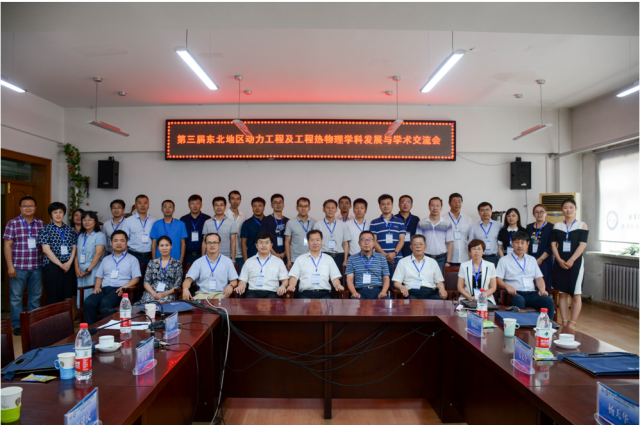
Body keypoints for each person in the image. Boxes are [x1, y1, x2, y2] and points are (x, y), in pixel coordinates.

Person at [3, 196, 45, 336]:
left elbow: (44, 246)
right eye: (25, 206)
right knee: (16, 297)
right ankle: (17, 325)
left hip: (36, 266)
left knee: (35, 297)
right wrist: (10, 266)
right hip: (18, 267)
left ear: (35, 208)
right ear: (20, 208)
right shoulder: (12, 223)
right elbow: (7, 246)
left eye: (31, 205)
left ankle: (33, 323)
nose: (28, 208)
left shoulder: (40, 224)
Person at [83, 230, 141, 325]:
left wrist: (125, 287)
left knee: (106, 302)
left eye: (122, 240)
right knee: (88, 302)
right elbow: (99, 276)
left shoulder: (132, 259)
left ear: (126, 242)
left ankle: (109, 328)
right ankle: (93, 328)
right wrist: (97, 287)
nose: (118, 243)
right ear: (111, 243)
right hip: (104, 289)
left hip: (120, 290)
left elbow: (136, 278)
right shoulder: (106, 259)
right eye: (115, 240)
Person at [496, 231, 554, 319]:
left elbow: (539, 278)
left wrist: (542, 289)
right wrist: (507, 286)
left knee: (549, 301)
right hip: (515, 293)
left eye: (522, 243)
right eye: (517, 242)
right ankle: (521, 325)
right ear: (512, 243)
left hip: (531, 293)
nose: (520, 246)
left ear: (527, 244)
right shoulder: (504, 260)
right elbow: (498, 280)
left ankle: (548, 325)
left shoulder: (532, 259)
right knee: (519, 300)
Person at [551, 198, 588, 329]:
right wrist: (559, 259)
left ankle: (573, 322)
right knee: (562, 293)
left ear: (575, 209)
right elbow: (553, 245)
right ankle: (565, 321)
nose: (568, 210)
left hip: (576, 262)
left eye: (571, 207)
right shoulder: (557, 226)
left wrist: (572, 260)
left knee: (576, 293)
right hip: (560, 262)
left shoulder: (582, 225)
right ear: (562, 210)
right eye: (565, 207)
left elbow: (582, 245)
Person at [39, 202, 78, 305]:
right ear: (50, 214)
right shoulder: (46, 229)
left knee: (67, 295)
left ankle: (66, 316)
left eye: (60, 212)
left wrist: (69, 263)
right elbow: (46, 250)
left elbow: (74, 247)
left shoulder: (69, 229)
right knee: (53, 295)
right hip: (52, 266)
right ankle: (54, 316)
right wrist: (60, 264)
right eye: (55, 212)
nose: (58, 214)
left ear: (64, 214)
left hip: (68, 266)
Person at [287, 230, 344, 299]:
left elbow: (334, 278)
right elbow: (294, 277)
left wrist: (338, 285)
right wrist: (291, 285)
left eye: (317, 240)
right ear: (308, 242)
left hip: (324, 294)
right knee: (303, 305)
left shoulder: (329, 259)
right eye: (312, 240)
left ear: (321, 241)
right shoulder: (300, 259)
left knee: (327, 304)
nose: (315, 243)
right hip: (305, 294)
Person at [182, 233, 238, 300]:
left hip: (221, 294)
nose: (212, 245)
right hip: (203, 295)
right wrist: (185, 289)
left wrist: (231, 286)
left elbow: (234, 281)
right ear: (205, 245)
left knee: (223, 304)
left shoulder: (227, 261)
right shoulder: (198, 262)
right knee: (194, 305)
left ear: (219, 244)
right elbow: (188, 280)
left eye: (215, 242)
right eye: (209, 243)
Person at [392, 234, 447, 300]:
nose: (418, 246)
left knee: (440, 303)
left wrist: (442, 288)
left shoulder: (433, 262)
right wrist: (402, 287)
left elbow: (439, 281)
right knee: (413, 304)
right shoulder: (403, 262)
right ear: (411, 247)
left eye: (421, 244)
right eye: (415, 244)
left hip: (430, 292)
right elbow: (396, 282)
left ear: (425, 247)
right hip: (411, 292)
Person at [236, 232, 289, 299]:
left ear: (271, 245)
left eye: (267, 242)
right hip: (253, 292)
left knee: (273, 302)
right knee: (250, 302)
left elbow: (285, 280)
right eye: (261, 242)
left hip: (272, 292)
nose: (264, 245)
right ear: (256, 245)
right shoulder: (249, 262)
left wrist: (283, 286)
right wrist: (241, 285)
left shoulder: (278, 262)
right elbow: (243, 280)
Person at [345, 230, 391, 299]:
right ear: (359, 243)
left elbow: (386, 278)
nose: (366, 243)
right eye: (363, 240)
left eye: (369, 240)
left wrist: (383, 292)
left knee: (387, 301)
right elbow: (349, 279)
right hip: (360, 292)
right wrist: (354, 293)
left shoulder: (381, 258)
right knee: (355, 301)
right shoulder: (352, 259)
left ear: (374, 243)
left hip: (378, 292)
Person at [137, 235, 183, 304]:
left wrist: (164, 294)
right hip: (152, 293)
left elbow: (177, 286)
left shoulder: (177, 264)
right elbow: (146, 283)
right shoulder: (152, 262)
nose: (164, 248)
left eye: (167, 245)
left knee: (162, 305)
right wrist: (153, 293)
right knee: (146, 303)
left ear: (171, 246)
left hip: (168, 294)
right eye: (161, 245)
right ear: (158, 247)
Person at [75, 211, 106, 307]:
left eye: (89, 220)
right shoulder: (81, 236)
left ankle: (90, 313)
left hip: (93, 269)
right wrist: (76, 268)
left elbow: (98, 254)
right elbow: (76, 254)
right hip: (81, 270)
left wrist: (88, 270)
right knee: (81, 293)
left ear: (95, 221)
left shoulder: (99, 235)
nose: (86, 222)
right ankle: (82, 314)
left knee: (91, 293)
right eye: (84, 220)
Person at [370, 194, 405, 276]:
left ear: (392, 205)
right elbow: (374, 241)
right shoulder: (374, 222)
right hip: (380, 259)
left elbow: (402, 240)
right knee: (381, 282)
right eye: (383, 204)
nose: (386, 206)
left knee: (396, 282)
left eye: (388, 204)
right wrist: (384, 255)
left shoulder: (400, 222)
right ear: (379, 206)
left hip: (396, 259)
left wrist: (394, 253)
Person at [416, 197, 454, 273]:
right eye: (433, 205)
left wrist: (448, 262)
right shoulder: (421, 223)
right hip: (425, 258)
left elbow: (450, 243)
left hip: (441, 259)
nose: (435, 208)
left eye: (438, 206)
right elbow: (418, 243)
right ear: (429, 207)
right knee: (425, 279)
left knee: (440, 280)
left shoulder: (447, 224)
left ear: (441, 208)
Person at [312, 199, 351, 272]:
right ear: (323, 209)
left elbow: (345, 243)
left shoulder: (343, 225)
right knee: (323, 277)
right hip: (323, 256)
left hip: (339, 257)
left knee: (338, 278)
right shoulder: (318, 225)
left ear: (336, 209)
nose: (330, 210)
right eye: (328, 207)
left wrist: (345, 260)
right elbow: (315, 243)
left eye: (333, 208)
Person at [457, 239, 497, 305]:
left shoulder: (490, 266)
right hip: (467, 298)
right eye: (474, 249)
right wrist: (469, 297)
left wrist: (482, 296)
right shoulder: (464, 266)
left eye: (479, 249)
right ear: (470, 251)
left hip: (486, 298)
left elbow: (493, 287)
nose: (477, 251)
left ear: (483, 251)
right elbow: (460, 287)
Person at [122, 194, 156, 267]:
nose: (142, 205)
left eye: (145, 203)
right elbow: (124, 239)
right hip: (133, 255)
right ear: (135, 206)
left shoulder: (154, 221)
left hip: (150, 256)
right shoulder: (128, 220)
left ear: (148, 205)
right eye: (140, 203)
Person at [526, 204, 554, 290]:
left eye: (541, 212)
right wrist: (527, 258)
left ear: (546, 213)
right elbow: (526, 243)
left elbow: (551, 246)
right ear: (533, 214)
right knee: (532, 284)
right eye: (537, 212)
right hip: (531, 259)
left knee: (545, 285)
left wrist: (541, 259)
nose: (539, 214)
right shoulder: (529, 227)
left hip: (545, 260)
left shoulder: (551, 227)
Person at [284, 197, 317, 270]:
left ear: (309, 208)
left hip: (311, 258)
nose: (303, 208)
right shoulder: (290, 223)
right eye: (301, 206)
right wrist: (288, 260)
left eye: (306, 206)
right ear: (297, 208)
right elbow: (287, 242)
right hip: (295, 259)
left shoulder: (314, 223)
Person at [202, 197, 238, 261]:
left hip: (226, 257)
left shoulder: (231, 222)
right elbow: (204, 242)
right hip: (210, 257)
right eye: (216, 205)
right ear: (213, 207)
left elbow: (233, 242)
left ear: (225, 207)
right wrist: (203, 259)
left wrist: (233, 259)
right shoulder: (207, 222)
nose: (219, 207)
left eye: (221, 205)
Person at [444, 193, 474, 266]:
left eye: (459, 202)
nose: (457, 204)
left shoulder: (467, 219)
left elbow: (470, 238)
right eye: (454, 201)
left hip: (465, 257)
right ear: (449, 203)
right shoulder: (443, 219)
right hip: (449, 259)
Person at [180, 194, 211, 265]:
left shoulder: (207, 219)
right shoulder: (183, 219)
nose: (195, 206)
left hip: (203, 254)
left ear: (201, 205)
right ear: (189, 205)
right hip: (187, 255)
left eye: (197, 203)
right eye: (192, 203)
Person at [259, 194, 289, 262]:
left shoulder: (288, 221)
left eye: (280, 202)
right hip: (270, 256)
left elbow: (290, 241)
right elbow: (263, 239)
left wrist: (284, 253)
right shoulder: (266, 220)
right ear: (271, 205)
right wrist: (274, 254)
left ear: (283, 204)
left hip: (284, 257)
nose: (278, 204)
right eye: (275, 202)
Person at [225, 190, 246, 271]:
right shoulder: (224, 214)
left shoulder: (243, 215)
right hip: (228, 254)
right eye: (233, 199)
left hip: (240, 254)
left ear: (240, 200)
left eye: (238, 199)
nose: (235, 201)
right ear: (229, 200)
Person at [241, 197, 265, 265]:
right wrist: (246, 261)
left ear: (264, 207)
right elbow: (243, 243)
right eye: (254, 206)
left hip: (267, 258)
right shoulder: (247, 223)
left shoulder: (269, 221)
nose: (257, 208)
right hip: (252, 257)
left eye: (260, 206)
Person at [395, 195, 420, 259]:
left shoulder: (416, 219)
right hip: (397, 252)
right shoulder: (394, 219)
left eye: (408, 202)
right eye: (403, 202)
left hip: (411, 252)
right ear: (399, 205)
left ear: (411, 205)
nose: (405, 204)